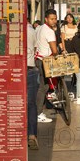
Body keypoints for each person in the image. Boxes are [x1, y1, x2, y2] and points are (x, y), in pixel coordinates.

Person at [34, 9, 58, 124]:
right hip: (45, 61)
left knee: (41, 86)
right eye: (52, 19)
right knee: (43, 88)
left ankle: (39, 110)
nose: (54, 21)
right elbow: (54, 50)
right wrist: (58, 54)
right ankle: (38, 113)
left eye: (55, 19)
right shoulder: (49, 31)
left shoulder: (39, 28)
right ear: (46, 19)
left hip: (38, 59)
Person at [26, 21, 39, 150]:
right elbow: (35, 48)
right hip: (29, 68)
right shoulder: (31, 30)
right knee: (31, 103)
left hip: (12, 69)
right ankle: (32, 135)